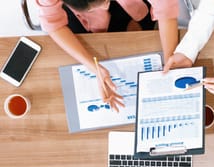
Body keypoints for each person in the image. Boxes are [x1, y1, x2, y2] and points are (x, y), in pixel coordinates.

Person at [36, 0, 179, 110]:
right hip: (78, 16)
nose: (105, 7)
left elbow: (166, 10)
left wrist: (169, 63)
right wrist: (95, 68)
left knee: (136, 32)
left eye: (105, 2)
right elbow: (53, 24)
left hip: (132, 5)